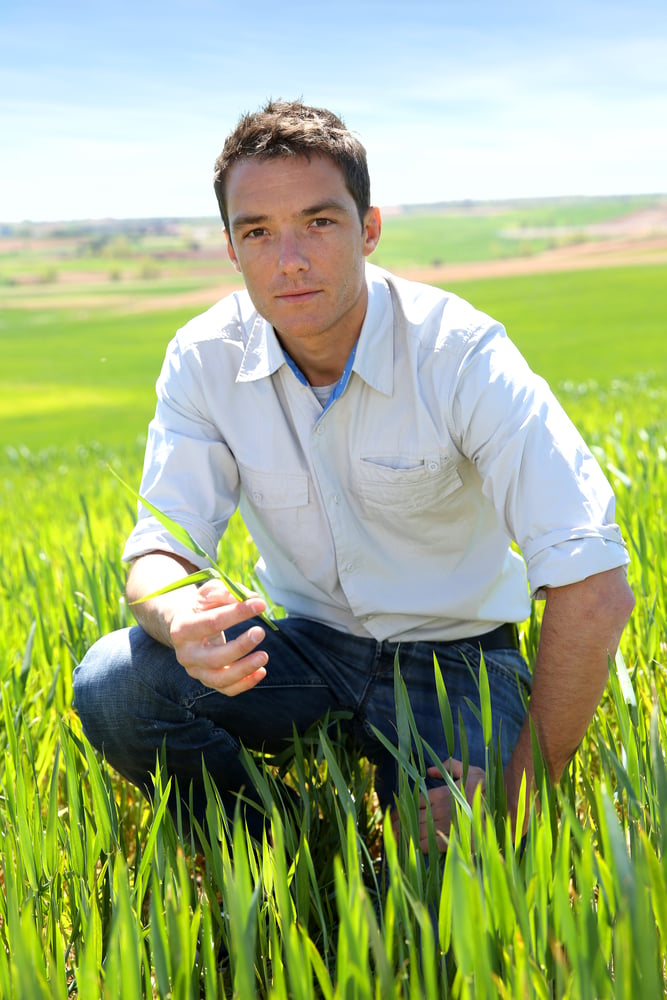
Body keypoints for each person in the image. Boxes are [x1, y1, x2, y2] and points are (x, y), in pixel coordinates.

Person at [73, 99, 634, 851]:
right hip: (304, 650)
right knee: (115, 683)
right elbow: (158, 550)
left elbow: (592, 586)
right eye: (258, 233)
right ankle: (293, 855)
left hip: (458, 659)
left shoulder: (459, 354)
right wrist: (179, 620)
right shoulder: (203, 357)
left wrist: (515, 792)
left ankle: (412, 839)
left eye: (319, 222)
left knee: (449, 878)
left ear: (368, 229)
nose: (289, 260)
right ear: (231, 249)